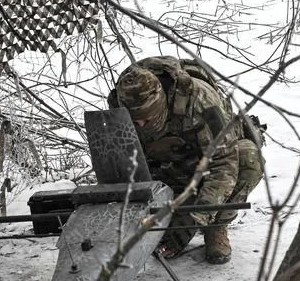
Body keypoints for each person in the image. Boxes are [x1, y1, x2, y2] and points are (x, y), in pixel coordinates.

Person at [109, 56, 264, 264]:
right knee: (159, 239)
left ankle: (216, 227)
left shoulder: (201, 100)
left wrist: (199, 216)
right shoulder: (119, 104)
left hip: (207, 165)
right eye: (135, 121)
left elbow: (224, 162)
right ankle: (172, 220)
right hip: (165, 170)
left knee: (249, 158)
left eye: (148, 118)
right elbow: (120, 162)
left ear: (162, 102)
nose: (142, 125)